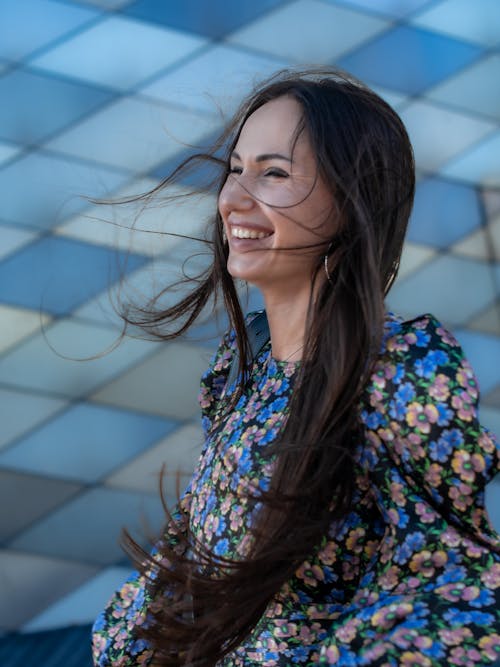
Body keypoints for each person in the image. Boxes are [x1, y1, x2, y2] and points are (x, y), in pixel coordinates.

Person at [92, 68, 500, 667]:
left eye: (274, 173)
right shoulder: (241, 372)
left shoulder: (398, 371)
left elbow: (461, 585)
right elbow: (187, 581)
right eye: (235, 170)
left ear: (352, 199)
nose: (233, 198)